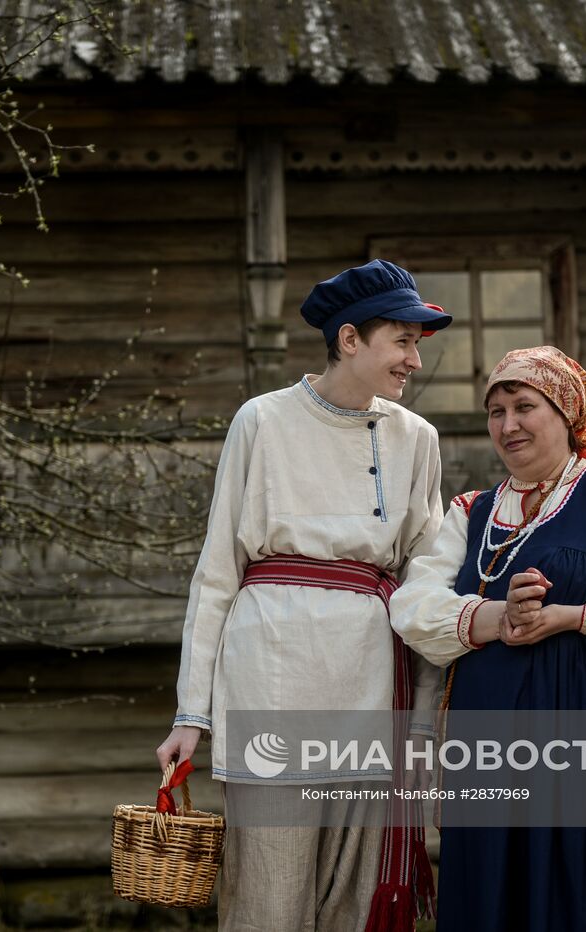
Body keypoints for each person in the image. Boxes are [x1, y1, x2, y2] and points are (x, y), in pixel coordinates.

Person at [156, 259, 451, 932]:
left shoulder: (416, 439)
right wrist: (190, 713)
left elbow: (427, 583)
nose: (414, 361)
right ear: (350, 339)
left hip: (374, 694)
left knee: (354, 906)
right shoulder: (261, 421)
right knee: (267, 904)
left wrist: (425, 722)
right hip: (273, 689)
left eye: (417, 345)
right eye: (402, 341)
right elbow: (217, 574)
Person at [390, 345, 586, 932]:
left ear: (565, 413)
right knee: (500, 896)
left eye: (524, 406)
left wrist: (574, 616)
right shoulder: (472, 512)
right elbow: (412, 608)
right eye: (496, 411)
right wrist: (492, 616)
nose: (508, 425)